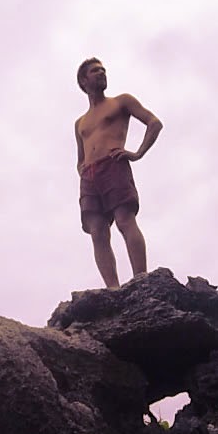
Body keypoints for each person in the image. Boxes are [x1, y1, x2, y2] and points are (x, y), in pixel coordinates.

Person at [74, 58, 162, 289]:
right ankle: (112, 289)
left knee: (125, 220)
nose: (102, 73)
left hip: (114, 165)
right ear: (84, 80)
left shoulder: (121, 102)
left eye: (103, 69)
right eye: (95, 71)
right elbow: (80, 157)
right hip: (90, 176)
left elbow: (154, 123)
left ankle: (141, 280)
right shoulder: (80, 123)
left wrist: (138, 153)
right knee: (97, 231)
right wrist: (82, 169)